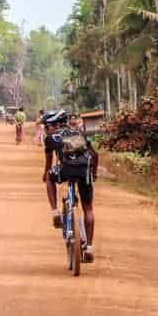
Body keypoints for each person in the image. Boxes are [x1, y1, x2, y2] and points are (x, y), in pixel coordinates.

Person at [42, 110, 98, 261]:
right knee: (88, 208)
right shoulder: (79, 133)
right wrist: (93, 174)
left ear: (53, 125)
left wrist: (46, 174)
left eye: (47, 127)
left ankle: (55, 212)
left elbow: (48, 165)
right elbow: (94, 155)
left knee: (49, 177)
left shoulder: (51, 138)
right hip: (84, 171)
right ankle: (89, 248)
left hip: (66, 170)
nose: (46, 130)